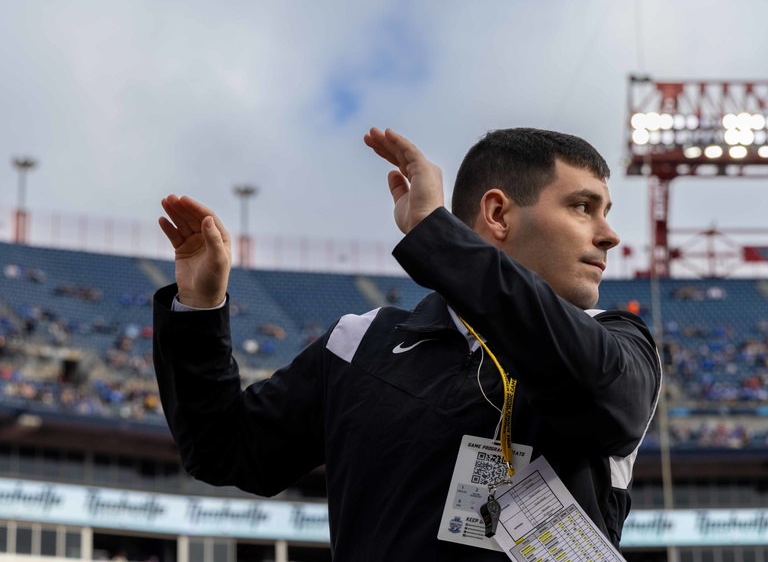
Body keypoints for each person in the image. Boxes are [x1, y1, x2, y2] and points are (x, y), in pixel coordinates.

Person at [153, 127, 661, 560]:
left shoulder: (617, 341)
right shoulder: (358, 342)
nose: (609, 235)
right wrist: (198, 312)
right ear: (498, 214)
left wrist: (436, 238)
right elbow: (224, 450)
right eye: (582, 207)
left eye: (605, 211)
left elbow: (599, 397)